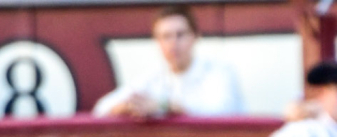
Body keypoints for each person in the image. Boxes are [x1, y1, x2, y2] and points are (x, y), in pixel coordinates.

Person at [93, 5, 243, 118]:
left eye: (180, 34)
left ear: (196, 36)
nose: (173, 43)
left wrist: (165, 106)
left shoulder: (220, 70)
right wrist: (125, 107)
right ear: (157, 41)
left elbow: (222, 111)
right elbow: (101, 109)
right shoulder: (153, 75)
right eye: (166, 36)